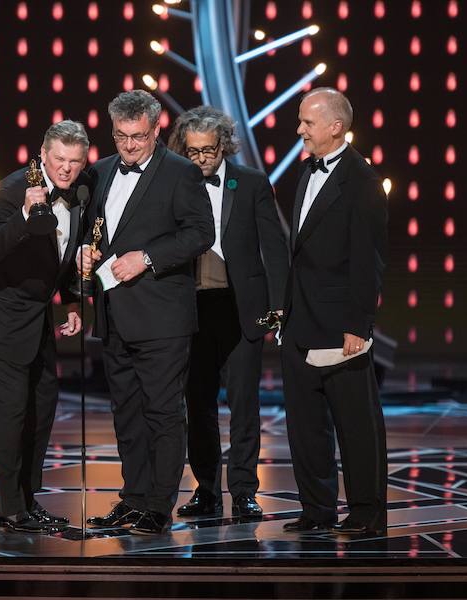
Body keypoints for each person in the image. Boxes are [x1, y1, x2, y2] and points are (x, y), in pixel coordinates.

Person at [81, 90, 214, 535]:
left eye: (138, 137)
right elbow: (94, 232)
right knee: (127, 413)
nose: (130, 145)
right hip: (114, 315)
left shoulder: (180, 173)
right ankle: (133, 497)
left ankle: (159, 504)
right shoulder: (99, 171)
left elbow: (201, 232)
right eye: (121, 136)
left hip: (162, 318)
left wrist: (148, 257)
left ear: (156, 130)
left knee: (162, 411)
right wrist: (85, 253)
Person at [0, 120, 90, 534]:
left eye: (75, 161)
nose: (66, 169)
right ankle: (10, 510)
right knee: (11, 414)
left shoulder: (81, 193)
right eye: (59, 160)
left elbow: (65, 254)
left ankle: (29, 501)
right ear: (43, 155)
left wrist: (69, 302)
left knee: (42, 409)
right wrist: (24, 216)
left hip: (36, 317)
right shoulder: (13, 188)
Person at [166, 106, 289, 519]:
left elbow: (273, 247)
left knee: (243, 404)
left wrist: (277, 310)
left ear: (225, 145)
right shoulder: (173, 184)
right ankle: (206, 489)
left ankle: (243, 490)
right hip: (192, 308)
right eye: (194, 151)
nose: (202, 159)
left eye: (209, 150)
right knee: (197, 404)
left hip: (242, 307)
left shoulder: (251, 183)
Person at [281, 88, 388, 535]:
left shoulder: (362, 180)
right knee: (306, 429)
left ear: (335, 127)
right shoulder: (306, 172)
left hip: (340, 327)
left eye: (307, 122)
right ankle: (316, 510)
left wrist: (358, 326)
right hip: (300, 322)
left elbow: (368, 260)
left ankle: (366, 514)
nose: (300, 129)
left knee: (356, 427)